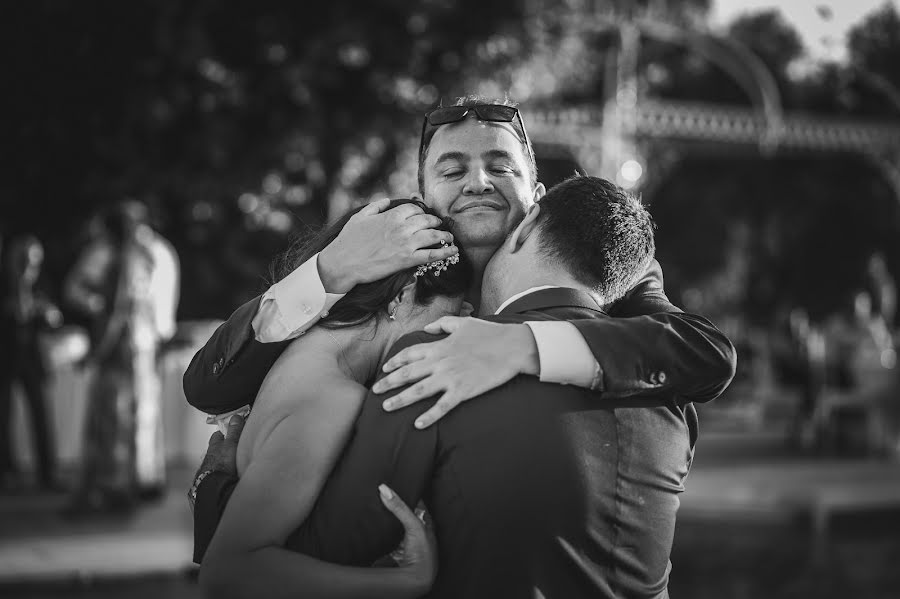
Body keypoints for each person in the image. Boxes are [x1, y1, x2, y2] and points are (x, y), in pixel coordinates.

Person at [186, 96, 735, 549]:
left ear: (537, 200)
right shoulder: (376, 265)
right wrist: (331, 268)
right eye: (452, 169)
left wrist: (522, 345)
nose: (477, 182)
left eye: (501, 167)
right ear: (425, 197)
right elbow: (210, 384)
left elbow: (705, 353)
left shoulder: (598, 266)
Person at [201, 176, 693, 598]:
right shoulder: (667, 390)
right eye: (460, 306)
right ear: (405, 294)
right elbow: (240, 565)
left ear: (527, 228)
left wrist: (217, 487)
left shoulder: (399, 367)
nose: (469, 319)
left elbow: (325, 540)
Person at [196, 198, 469, 597]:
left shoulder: (303, 350)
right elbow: (228, 571)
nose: (453, 327)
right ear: (402, 296)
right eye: (450, 313)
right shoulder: (330, 399)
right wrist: (405, 582)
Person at [63, 201, 180, 514]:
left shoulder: (123, 259)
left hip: (123, 349)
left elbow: (115, 313)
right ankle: (135, 483)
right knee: (136, 416)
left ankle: (115, 490)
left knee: (115, 418)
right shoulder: (150, 254)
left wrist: (96, 351)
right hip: (142, 345)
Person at [0, 235, 63, 491]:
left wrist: (47, 313)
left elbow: (54, 317)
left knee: (40, 413)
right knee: (3, 416)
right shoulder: (4, 283)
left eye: (35, 261)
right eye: (25, 261)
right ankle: (6, 470)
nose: (30, 267)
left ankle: (47, 473)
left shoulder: (41, 283)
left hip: (32, 358)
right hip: (5, 355)